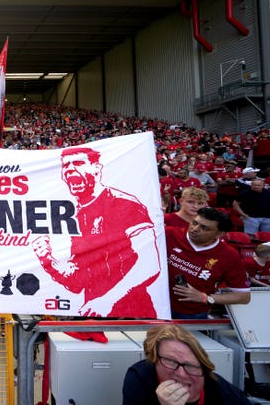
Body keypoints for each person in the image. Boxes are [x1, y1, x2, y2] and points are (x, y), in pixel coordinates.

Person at [31, 146, 161, 317]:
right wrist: (48, 261)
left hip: (131, 313)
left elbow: (150, 263)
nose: (70, 169)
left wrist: (108, 299)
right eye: (66, 166)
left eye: (78, 163)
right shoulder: (75, 215)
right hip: (94, 313)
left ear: (97, 169)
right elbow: (77, 284)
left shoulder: (123, 203)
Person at [123, 324, 251, 404]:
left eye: (191, 366)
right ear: (154, 360)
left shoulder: (225, 395)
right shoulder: (140, 378)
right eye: (170, 361)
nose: (181, 374)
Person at [166, 207, 250, 319]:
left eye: (204, 228)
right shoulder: (169, 234)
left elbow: (243, 296)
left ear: (219, 234)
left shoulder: (229, 256)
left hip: (191, 314)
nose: (195, 229)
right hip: (156, 305)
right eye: (194, 223)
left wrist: (205, 298)